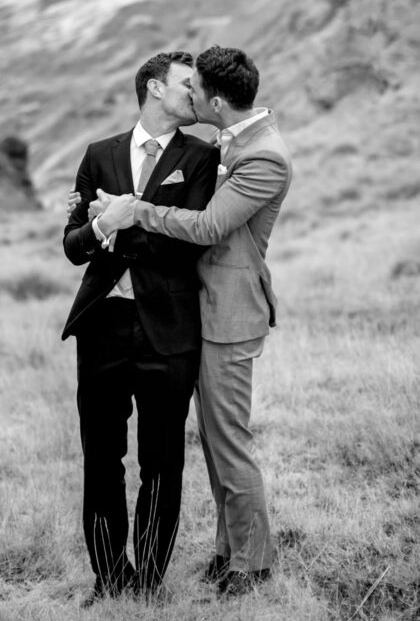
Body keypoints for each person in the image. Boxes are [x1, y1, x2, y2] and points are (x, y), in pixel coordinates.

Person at [91, 45, 293, 598]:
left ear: (217, 102)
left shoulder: (264, 155)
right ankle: (229, 552)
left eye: (195, 89)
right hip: (203, 307)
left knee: (229, 441)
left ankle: (252, 563)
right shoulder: (235, 138)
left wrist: (135, 209)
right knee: (213, 440)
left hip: (231, 311)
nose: (190, 96)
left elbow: (207, 228)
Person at [61, 51, 219, 604]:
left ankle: (150, 580)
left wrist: (121, 222)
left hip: (169, 329)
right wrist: (101, 222)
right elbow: (73, 246)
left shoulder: (202, 157)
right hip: (101, 326)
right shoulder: (98, 154)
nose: (195, 94)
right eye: (186, 84)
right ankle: (110, 578)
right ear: (154, 88)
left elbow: (187, 243)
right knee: (101, 457)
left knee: (162, 460)